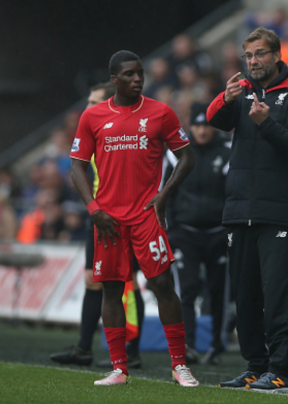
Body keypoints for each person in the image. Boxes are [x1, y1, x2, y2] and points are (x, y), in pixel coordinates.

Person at [69, 50, 198, 387]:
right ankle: (118, 368)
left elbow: (186, 157)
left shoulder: (161, 113)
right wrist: (94, 210)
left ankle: (179, 364)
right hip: (108, 220)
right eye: (129, 74)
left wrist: (164, 194)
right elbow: (77, 166)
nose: (137, 79)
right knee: (111, 291)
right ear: (114, 79)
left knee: (163, 286)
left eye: (140, 73)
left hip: (145, 217)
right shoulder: (93, 117)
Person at [207, 27, 288, 393]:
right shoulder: (241, 95)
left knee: (278, 293)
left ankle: (281, 369)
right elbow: (213, 120)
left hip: (279, 212)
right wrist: (225, 97)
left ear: (276, 55)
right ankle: (255, 367)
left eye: (260, 54)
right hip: (240, 209)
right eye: (248, 55)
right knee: (246, 294)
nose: (253, 61)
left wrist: (265, 123)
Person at [51, 82, 145, 370]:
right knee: (92, 280)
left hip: (124, 217)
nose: (88, 109)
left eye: (94, 103)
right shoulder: (95, 133)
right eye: (88, 102)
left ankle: (131, 349)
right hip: (98, 217)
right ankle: (83, 348)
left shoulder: (123, 133)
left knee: (127, 282)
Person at [166, 102, 230, 365]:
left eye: (207, 125)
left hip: (218, 233)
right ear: (190, 126)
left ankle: (216, 344)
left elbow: (233, 192)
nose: (202, 131)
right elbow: (166, 192)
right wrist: (172, 228)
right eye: (198, 125)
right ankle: (188, 345)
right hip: (186, 233)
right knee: (187, 289)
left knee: (218, 290)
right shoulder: (176, 153)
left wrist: (229, 227)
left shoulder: (228, 153)